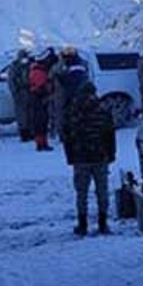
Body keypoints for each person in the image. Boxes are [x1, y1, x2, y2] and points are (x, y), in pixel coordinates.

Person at [62, 80, 116, 236]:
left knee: (81, 193)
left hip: (80, 157)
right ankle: (103, 223)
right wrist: (111, 154)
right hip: (100, 156)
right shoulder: (103, 110)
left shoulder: (72, 110)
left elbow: (67, 137)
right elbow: (110, 135)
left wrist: (70, 157)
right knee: (102, 192)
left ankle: (82, 224)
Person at [51, 45, 90, 138]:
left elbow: (53, 75)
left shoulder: (62, 64)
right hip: (72, 92)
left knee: (64, 113)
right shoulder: (81, 63)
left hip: (68, 92)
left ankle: (66, 133)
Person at [28, 49, 56, 152]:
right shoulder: (39, 72)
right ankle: (41, 144)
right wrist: (46, 92)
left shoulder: (36, 70)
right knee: (40, 122)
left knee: (40, 122)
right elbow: (40, 87)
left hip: (38, 99)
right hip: (39, 100)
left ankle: (41, 143)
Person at [7, 49, 34, 142]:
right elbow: (11, 80)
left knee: (30, 113)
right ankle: (24, 133)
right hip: (20, 92)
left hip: (30, 92)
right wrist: (15, 92)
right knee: (22, 115)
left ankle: (31, 132)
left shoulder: (30, 65)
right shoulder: (15, 66)